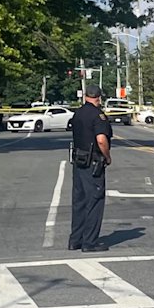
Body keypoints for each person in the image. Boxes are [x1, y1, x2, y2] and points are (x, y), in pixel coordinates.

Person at [67, 87, 113, 252]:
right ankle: (89, 242)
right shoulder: (98, 115)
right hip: (93, 162)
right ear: (98, 98)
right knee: (94, 200)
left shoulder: (78, 113)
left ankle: (75, 240)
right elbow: (101, 140)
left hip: (78, 160)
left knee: (79, 201)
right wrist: (107, 156)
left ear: (86, 96)